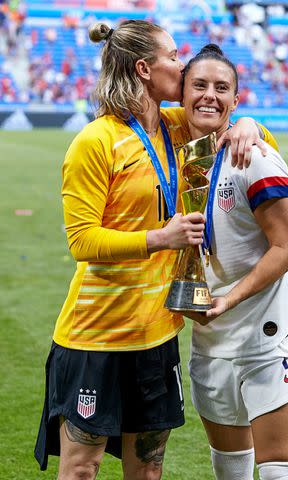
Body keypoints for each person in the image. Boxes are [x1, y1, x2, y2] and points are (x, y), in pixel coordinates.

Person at [34, 21, 275, 480]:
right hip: (94, 338)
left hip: (158, 337)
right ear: (144, 69)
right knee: (81, 469)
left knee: (146, 472)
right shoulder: (95, 141)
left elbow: (229, 117)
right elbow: (81, 241)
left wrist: (247, 123)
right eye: (173, 56)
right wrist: (159, 238)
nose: (181, 66)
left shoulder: (176, 128)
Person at [181, 44, 288, 480]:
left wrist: (230, 300)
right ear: (181, 93)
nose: (209, 95)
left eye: (222, 88)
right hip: (211, 340)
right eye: (199, 85)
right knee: (229, 471)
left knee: (277, 471)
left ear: (236, 101)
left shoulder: (254, 157)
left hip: (268, 336)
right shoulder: (186, 158)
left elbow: (287, 248)